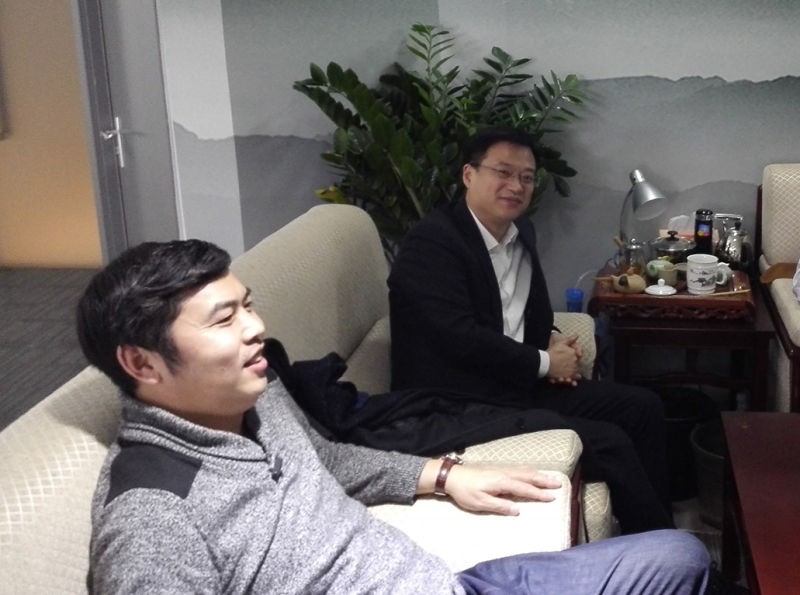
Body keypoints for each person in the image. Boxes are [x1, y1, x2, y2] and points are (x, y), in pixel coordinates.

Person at [77, 239, 709, 594]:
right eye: (224, 320)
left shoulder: (253, 395)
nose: (256, 328)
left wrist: (444, 475)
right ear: (141, 361)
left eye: (248, 305)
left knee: (680, 557)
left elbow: (327, 460)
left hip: (445, 583)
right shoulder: (153, 519)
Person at [388, 126, 674, 535]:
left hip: (513, 381)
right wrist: (545, 362)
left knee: (643, 407)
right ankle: (656, 552)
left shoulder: (521, 232)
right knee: (610, 442)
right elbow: (458, 338)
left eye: (526, 177)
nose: (516, 186)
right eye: (503, 172)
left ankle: (664, 535)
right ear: (469, 175)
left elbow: (518, 309)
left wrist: (551, 337)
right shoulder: (432, 243)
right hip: (457, 398)